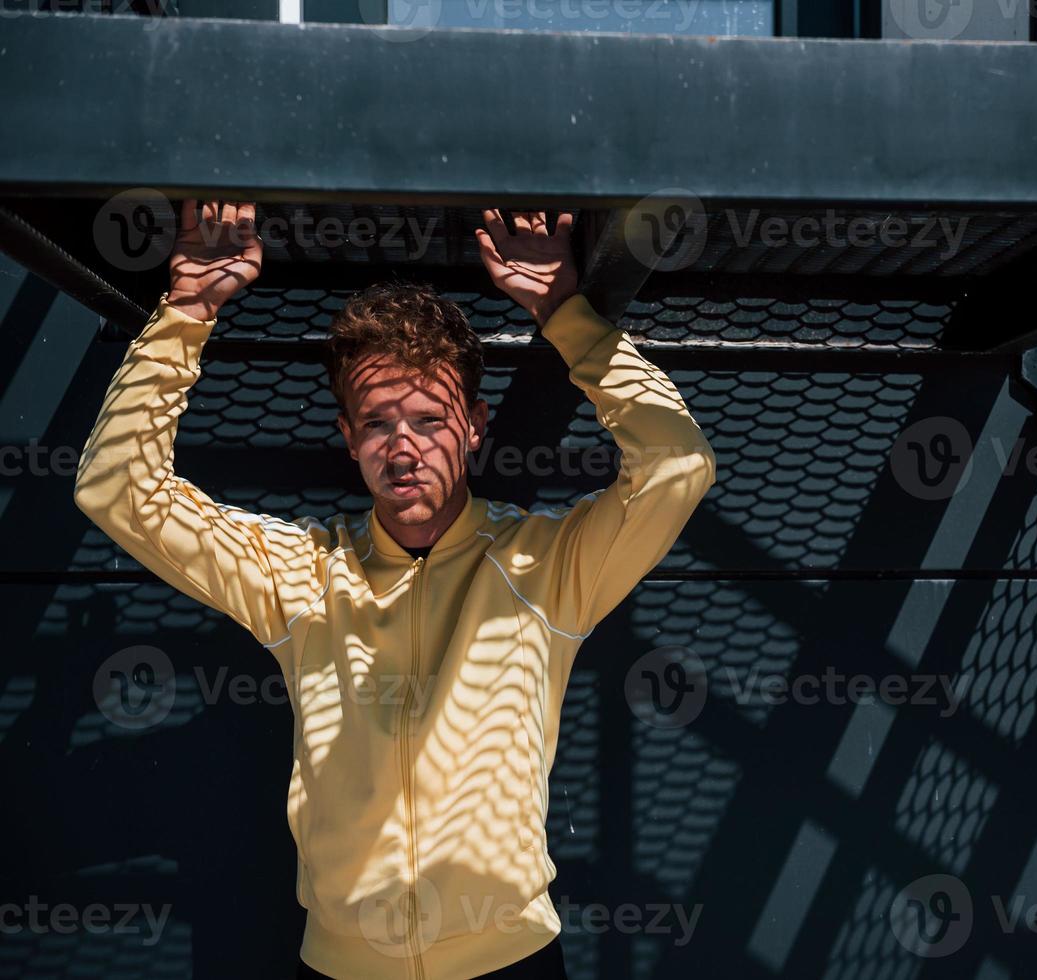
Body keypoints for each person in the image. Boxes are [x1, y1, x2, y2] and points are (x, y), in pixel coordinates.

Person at [73, 200, 717, 979]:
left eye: (429, 418)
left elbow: (678, 467)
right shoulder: (301, 573)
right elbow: (118, 488)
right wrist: (187, 310)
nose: (404, 447)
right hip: (345, 966)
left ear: (474, 425)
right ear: (349, 440)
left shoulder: (544, 568)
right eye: (378, 423)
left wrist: (563, 313)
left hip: (508, 961)